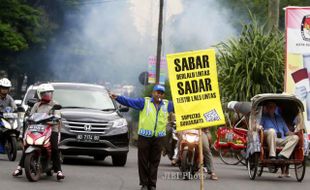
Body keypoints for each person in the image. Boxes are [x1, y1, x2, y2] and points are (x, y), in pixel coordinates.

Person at [110, 84, 173, 190]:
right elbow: (130, 101)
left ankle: (152, 184)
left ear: (163, 95)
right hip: (144, 136)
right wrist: (118, 98)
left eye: (161, 93)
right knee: (143, 160)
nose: (159, 95)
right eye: (157, 92)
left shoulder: (168, 104)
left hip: (159, 138)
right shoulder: (144, 102)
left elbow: (182, 105)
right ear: (153, 93)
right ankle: (144, 184)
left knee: (155, 161)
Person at [12, 83, 65, 180]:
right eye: (45, 93)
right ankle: (19, 168)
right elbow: (31, 116)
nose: (48, 95)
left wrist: (55, 119)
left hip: (52, 129)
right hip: (37, 128)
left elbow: (57, 116)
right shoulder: (36, 105)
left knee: (55, 148)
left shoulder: (55, 105)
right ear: (40, 94)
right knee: (27, 144)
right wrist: (28, 118)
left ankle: (59, 171)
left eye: (50, 93)